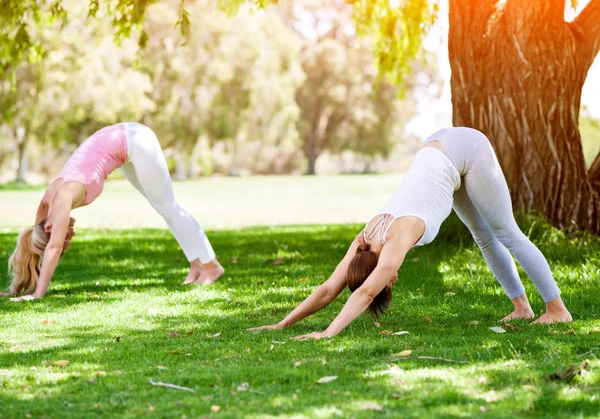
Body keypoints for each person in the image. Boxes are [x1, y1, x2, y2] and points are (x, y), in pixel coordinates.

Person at [248, 127, 572, 340]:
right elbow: (329, 289)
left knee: (505, 230)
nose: (394, 281)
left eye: (388, 283)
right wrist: (282, 324)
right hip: (438, 152)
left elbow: (364, 293)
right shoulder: (365, 237)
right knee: (482, 234)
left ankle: (558, 310)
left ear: (380, 275)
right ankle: (521, 307)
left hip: (465, 148)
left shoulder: (394, 240)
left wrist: (327, 333)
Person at [1, 122, 223, 301]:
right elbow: (36, 239)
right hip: (123, 142)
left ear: (51, 227)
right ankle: (196, 265)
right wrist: (19, 287)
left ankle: (211, 267)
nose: (71, 235)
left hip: (135, 140)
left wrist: (38, 295)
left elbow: (53, 247)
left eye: (66, 235)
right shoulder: (46, 206)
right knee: (162, 207)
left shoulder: (61, 200)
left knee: (168, 206)